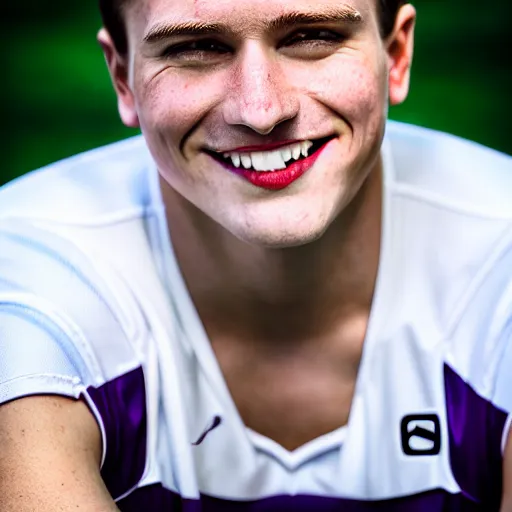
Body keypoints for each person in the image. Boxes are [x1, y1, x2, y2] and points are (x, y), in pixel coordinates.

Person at [0, 0, 511, 509]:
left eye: (314, 36)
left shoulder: (499, 254)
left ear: (395, 54)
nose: (262, 112)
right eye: (196, 47)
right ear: (123, 77)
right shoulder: (22, 273)